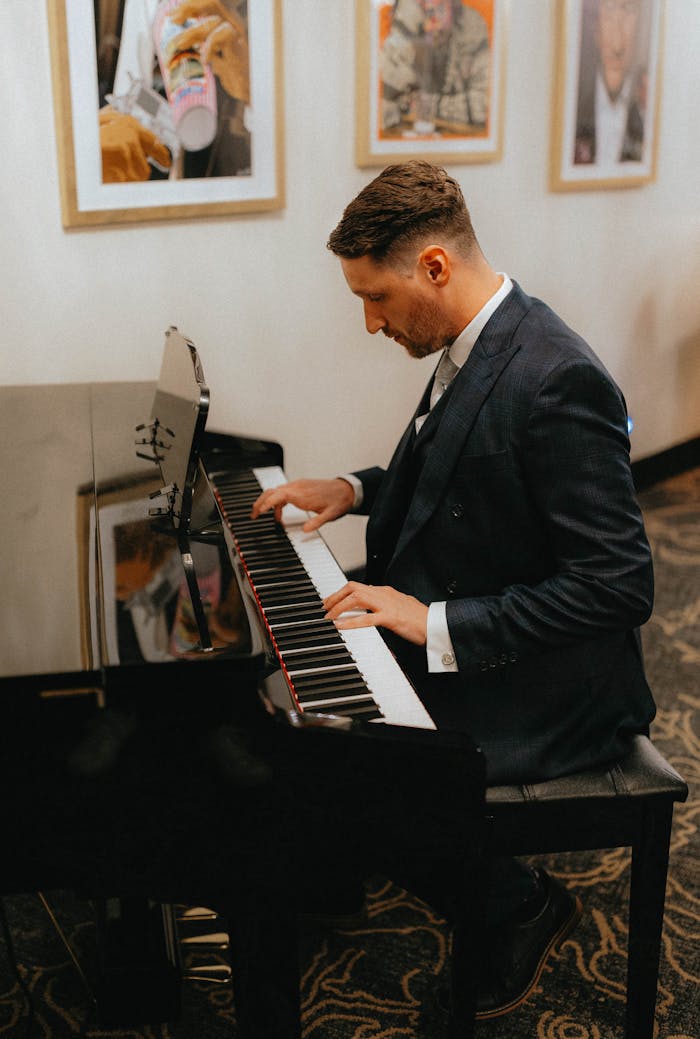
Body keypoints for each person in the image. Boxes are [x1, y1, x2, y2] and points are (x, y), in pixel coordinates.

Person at [250, 159, 656, 1019]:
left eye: (378, 298)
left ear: (435, 266)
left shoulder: (558, 378)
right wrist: (353, 489)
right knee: (301, 694)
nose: (368, 322)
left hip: (558, 687)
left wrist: (431, 618)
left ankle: (518, 903)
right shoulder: (480, 336)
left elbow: (618, 585)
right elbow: (451, 466)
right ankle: (339, 862)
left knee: (352, 759)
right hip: (481, 617)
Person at [573, 0, 650, 166]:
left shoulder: (642, 109)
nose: (618, 40)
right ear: (595, 28)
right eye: (609, 11)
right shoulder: (576, 101)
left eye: (629, 12)